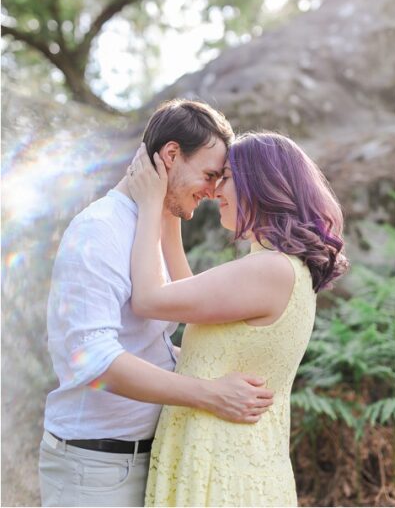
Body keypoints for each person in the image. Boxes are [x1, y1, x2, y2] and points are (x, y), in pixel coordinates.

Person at [39, 100, 275, 508]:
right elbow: (92, 358)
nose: (214, 190)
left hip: (148, 460)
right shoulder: (100, 229)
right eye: (209, 174)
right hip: (95, 470)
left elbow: (155, 342)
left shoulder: (153, 227)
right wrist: (209, 393)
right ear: (170, 155)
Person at [123, 130, 348, 506]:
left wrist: (149, 207)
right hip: (232, 464)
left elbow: (148, 300)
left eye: (224, 177)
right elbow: (189, 298)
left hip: (221, 472)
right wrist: (170, 210)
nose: (214, 191)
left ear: (259, 183)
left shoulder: (270, 270)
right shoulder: (277, 267)